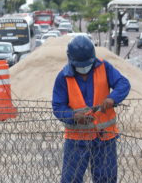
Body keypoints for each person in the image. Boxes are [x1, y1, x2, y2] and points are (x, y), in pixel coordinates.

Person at [52, 35, 130, 183]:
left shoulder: (104, 67)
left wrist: (112, 98)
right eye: (80, 65)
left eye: (86, 64)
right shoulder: (63, 77)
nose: (84, 69)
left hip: (104, 138)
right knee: (71, 179)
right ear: (70, 59)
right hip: (77, 140)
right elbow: (57, 106)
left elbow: (123, 83)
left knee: (106, 179)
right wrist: (74, 116)